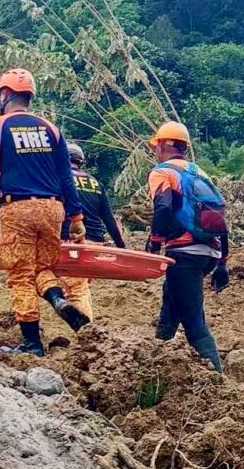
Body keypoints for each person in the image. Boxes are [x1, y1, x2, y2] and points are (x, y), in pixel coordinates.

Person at [0, 67, 87, 356]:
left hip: (18, 208)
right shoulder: (52, 129)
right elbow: (66, 178)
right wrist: (76, 219)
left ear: (5, 94)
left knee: (20, 275)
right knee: (42, 267)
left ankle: (32, 344)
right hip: (53, 209)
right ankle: (57, 298)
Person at [145, 121, 230, 372]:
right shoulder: (200, 174)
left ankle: (217, 380)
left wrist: (155, 242)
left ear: (161, 145)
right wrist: (223, 262)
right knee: (172, 305)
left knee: (194, 321)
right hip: (210, 252)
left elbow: (163, 206)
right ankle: (156, 363)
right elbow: (219, 214)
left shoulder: (162, 172)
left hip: (184, 253)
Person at [59, 143, 126, 320]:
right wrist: (122, 247)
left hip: (72, 242)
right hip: (95, 244)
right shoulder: (96, 183)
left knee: (75, 291)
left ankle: (86, 333)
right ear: (81, 161)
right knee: (79, 286)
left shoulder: (59, 179)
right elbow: (109, 219)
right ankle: (80, 330)